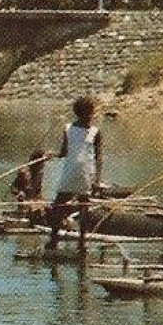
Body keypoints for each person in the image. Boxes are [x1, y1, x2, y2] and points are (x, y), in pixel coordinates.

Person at [44, 96, 103, 251]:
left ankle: (57, 240)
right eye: (91, 112)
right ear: (86, 113)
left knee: (61, 207)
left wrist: (96, 179)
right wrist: (53, 154)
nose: (92, 115)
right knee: (79, 208)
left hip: (78, 174)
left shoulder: (89, 131)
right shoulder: (72, 129)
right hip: (80, 174)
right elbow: (97, 157)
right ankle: (78, 242)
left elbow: (65, 153)